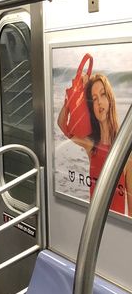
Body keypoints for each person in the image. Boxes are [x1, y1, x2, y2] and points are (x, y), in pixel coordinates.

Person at [58, 72, 131, 214]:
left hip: (116, 227)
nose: (99, 102)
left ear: (110, 99)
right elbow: (62, 124)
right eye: (94, 98)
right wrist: (74, 95)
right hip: (94, 222)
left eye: (103, 95)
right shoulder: (92, 146)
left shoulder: (126, 152)